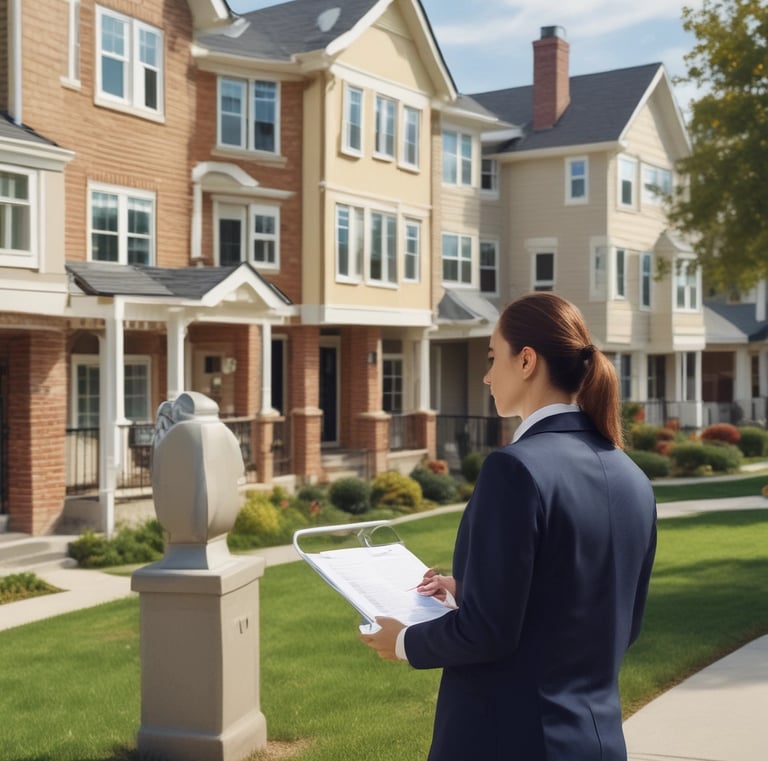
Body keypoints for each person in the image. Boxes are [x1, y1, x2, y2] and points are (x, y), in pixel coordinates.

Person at [361, 292, 657, 761]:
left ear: (526, 361)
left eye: (493, 357)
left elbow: (487, 633)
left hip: (509, 741)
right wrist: (468, 590)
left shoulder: (515, 469)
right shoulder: (632, 476)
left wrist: (401, 640)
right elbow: (614, 619)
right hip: (595, 743)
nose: (485, 374)